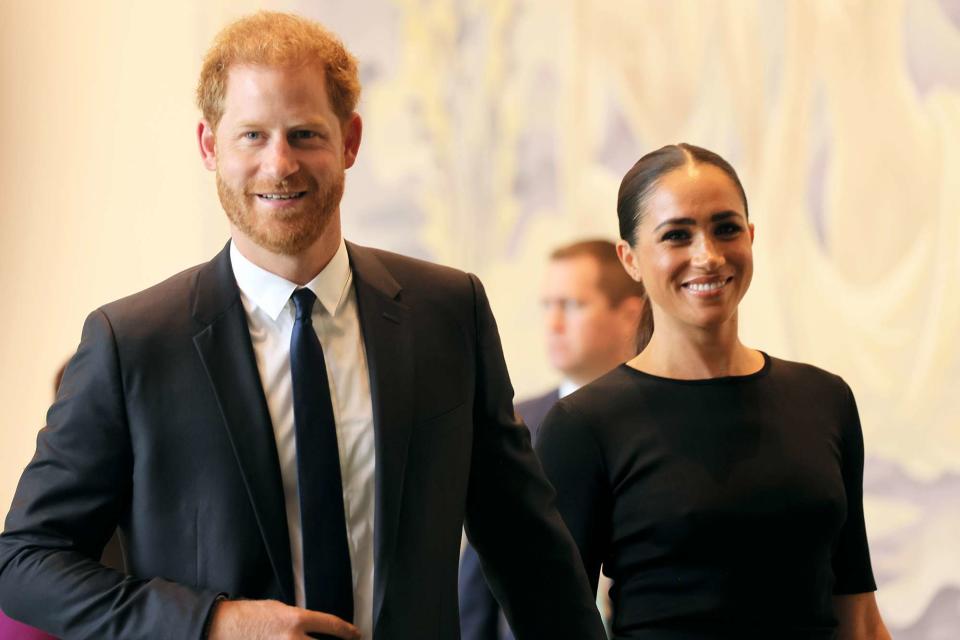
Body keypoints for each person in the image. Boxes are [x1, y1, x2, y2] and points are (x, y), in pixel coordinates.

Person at [0, 12, 606, 640]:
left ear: (350, 141)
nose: (280, 164)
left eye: (305, 134)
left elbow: (528, 550)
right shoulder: (132, 343)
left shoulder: (448, 311)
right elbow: (25, 561)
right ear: (210, 147)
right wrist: (213, 623)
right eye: (253, 136)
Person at [535, 143, 891, 638]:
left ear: (750, 237)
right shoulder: (585, 424)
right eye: (677, 235)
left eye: (725, 229)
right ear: (631, 259)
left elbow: (859, 614)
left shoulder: (824, 398)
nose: (707, 255)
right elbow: (555, 625)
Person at [459, 239, 647, 640]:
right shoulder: (512, 422)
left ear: (630, 315)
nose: (553, 323)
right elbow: (479, 582)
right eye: (548, 306)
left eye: (573, 305)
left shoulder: (663, 424)